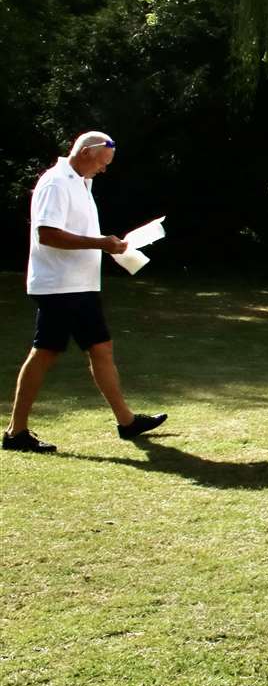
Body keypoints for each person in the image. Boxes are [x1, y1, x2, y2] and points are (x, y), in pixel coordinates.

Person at [3, 132, 166, 453]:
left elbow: (76, 233)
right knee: (45, 352)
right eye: (103, 163)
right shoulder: (56, 183)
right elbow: (47, 235)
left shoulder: (80, 183)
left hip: (82, 285)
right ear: (87, 153)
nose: (104, 170)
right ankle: (15, 432)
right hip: (58, 286)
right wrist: (101, 243)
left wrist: (109, 246)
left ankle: (127, 421)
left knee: (101, 349)